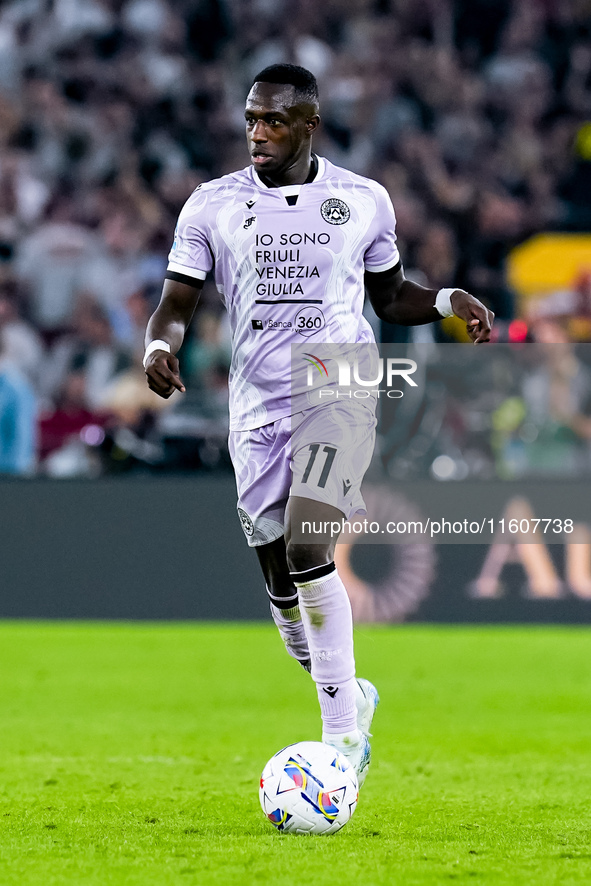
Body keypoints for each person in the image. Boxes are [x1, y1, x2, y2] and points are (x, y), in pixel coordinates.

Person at [144, 64, 493, 786]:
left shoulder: (361, 200)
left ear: (308, 124)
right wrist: (159, 346)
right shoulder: (211, 206)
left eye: (273, 121)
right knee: (280, 578)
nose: (257, 133)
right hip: (257, 404)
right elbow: (177, 302)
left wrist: (449, 297)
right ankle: (347, 695)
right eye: (250, 120)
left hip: (339, 381)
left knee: (310, 540)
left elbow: (390, 297)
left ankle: (341, 742)